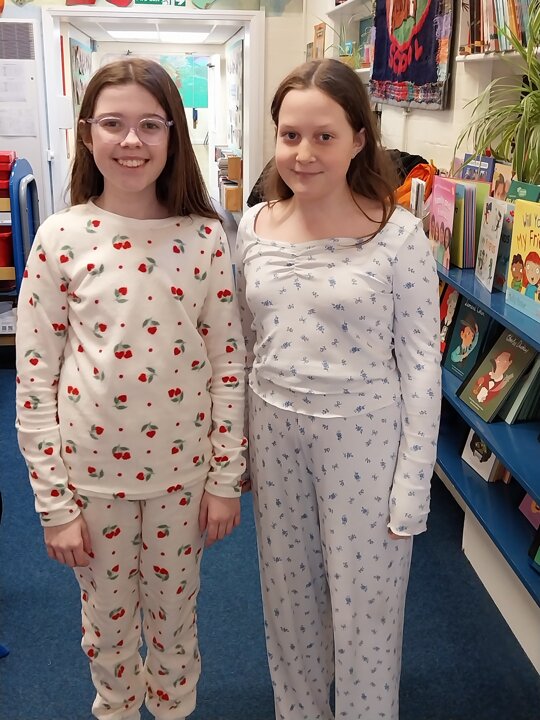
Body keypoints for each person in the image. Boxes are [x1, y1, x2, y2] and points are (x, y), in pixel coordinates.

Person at [15, 58, 246, 720]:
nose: (131, 141)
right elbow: (34, 380)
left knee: (176, 623)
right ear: (87, 133)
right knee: (107, 630)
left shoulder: (204, 237)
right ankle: (116, 708)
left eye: (150, 125)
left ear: (174, 135)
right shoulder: (61, 237)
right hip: (90, 479)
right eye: (112, 123)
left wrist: (226, 478)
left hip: (183, 477)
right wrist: (53, 504)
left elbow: (228, 364)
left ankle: (172, 709)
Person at [235, 58, 441, 720]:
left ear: (359, 139)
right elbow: (246, 343)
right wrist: (238, 447)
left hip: (366, 442)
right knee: (288, 603)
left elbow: (421, 365)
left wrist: (413, 482)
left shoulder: (398, 235)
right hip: (275, 435)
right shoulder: (253, 226)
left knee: (365, 614)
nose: (304, 153)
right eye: (290, 135)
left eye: (324, 136)